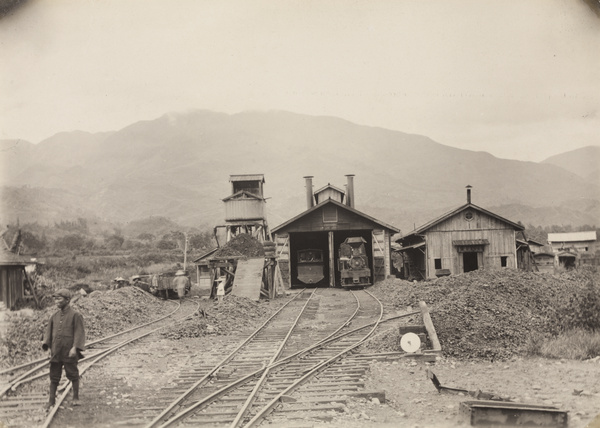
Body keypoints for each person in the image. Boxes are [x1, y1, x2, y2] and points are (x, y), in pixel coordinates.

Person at [42, 288, 85, 409]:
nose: (56, 301)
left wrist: (75, 348)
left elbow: (79, 332)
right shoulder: (54, 316)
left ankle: (76, 398)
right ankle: (51, 401)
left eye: (59, 299)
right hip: (56, 351)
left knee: (73, 374)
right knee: (54, 376)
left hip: (69, 351)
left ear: (67, 300)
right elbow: (48, 334)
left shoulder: (76, 315)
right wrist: (48, 348)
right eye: (55, 299)